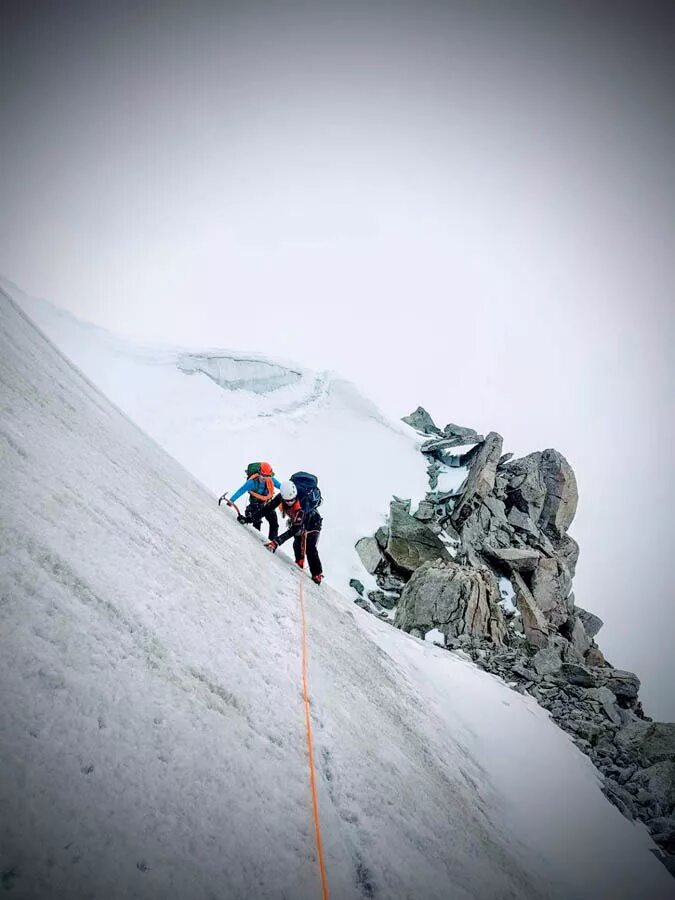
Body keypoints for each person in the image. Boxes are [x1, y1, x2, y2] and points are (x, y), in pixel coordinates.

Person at [264, 478, 323, 584]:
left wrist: (276, 542)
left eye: (292, 500)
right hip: (300, 522)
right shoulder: (282, 498)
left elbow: (294, 530)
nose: (290, 502)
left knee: (310, 547)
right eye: (287, 501)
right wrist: (250, 518)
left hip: (313, 523)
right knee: (297, 542)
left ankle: (317, 574)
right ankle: (299, 561)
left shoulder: (303, 505)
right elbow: (267, 508)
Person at [224, 462, 281, 541]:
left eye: (267, 476)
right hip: (255, 505)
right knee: (256, 520)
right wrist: (231, 501)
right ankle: (255, 540)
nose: (265, 478)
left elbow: (281, 487)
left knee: (274, 523)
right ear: (259, 473)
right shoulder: (252, 482)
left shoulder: (271, 480)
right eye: (263, 475)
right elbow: (241, 491)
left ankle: (272, 543)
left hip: (266, 504)